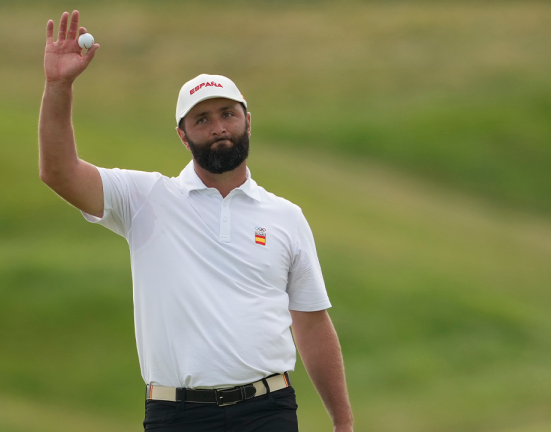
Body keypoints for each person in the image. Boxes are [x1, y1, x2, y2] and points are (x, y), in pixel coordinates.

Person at [38, 10, 354, 432]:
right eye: (202, 120)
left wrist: (344, 423)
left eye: (227, 114)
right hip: (177, 414)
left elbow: (312, 324)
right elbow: (59, 172)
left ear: (247, 120)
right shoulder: (145, 198)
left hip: (268, 410)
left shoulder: (285, 216)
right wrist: (58, 87)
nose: (218, 127)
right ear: (183, 135)